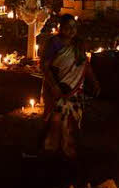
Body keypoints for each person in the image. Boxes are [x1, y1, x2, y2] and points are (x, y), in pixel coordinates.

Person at [39, 14, 100, 159]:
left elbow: (85, 65)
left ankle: (69, 149)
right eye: (68, 27)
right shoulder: (53, 43)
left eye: (74, 27)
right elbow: (45, 66)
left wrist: (95, 82)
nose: (71, 30)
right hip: (56, 87)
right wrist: (54, 86)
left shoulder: (78, 44)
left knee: (72, 119)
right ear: (61, 28)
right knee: (55, 119)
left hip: (74, 89)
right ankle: (51, 149)